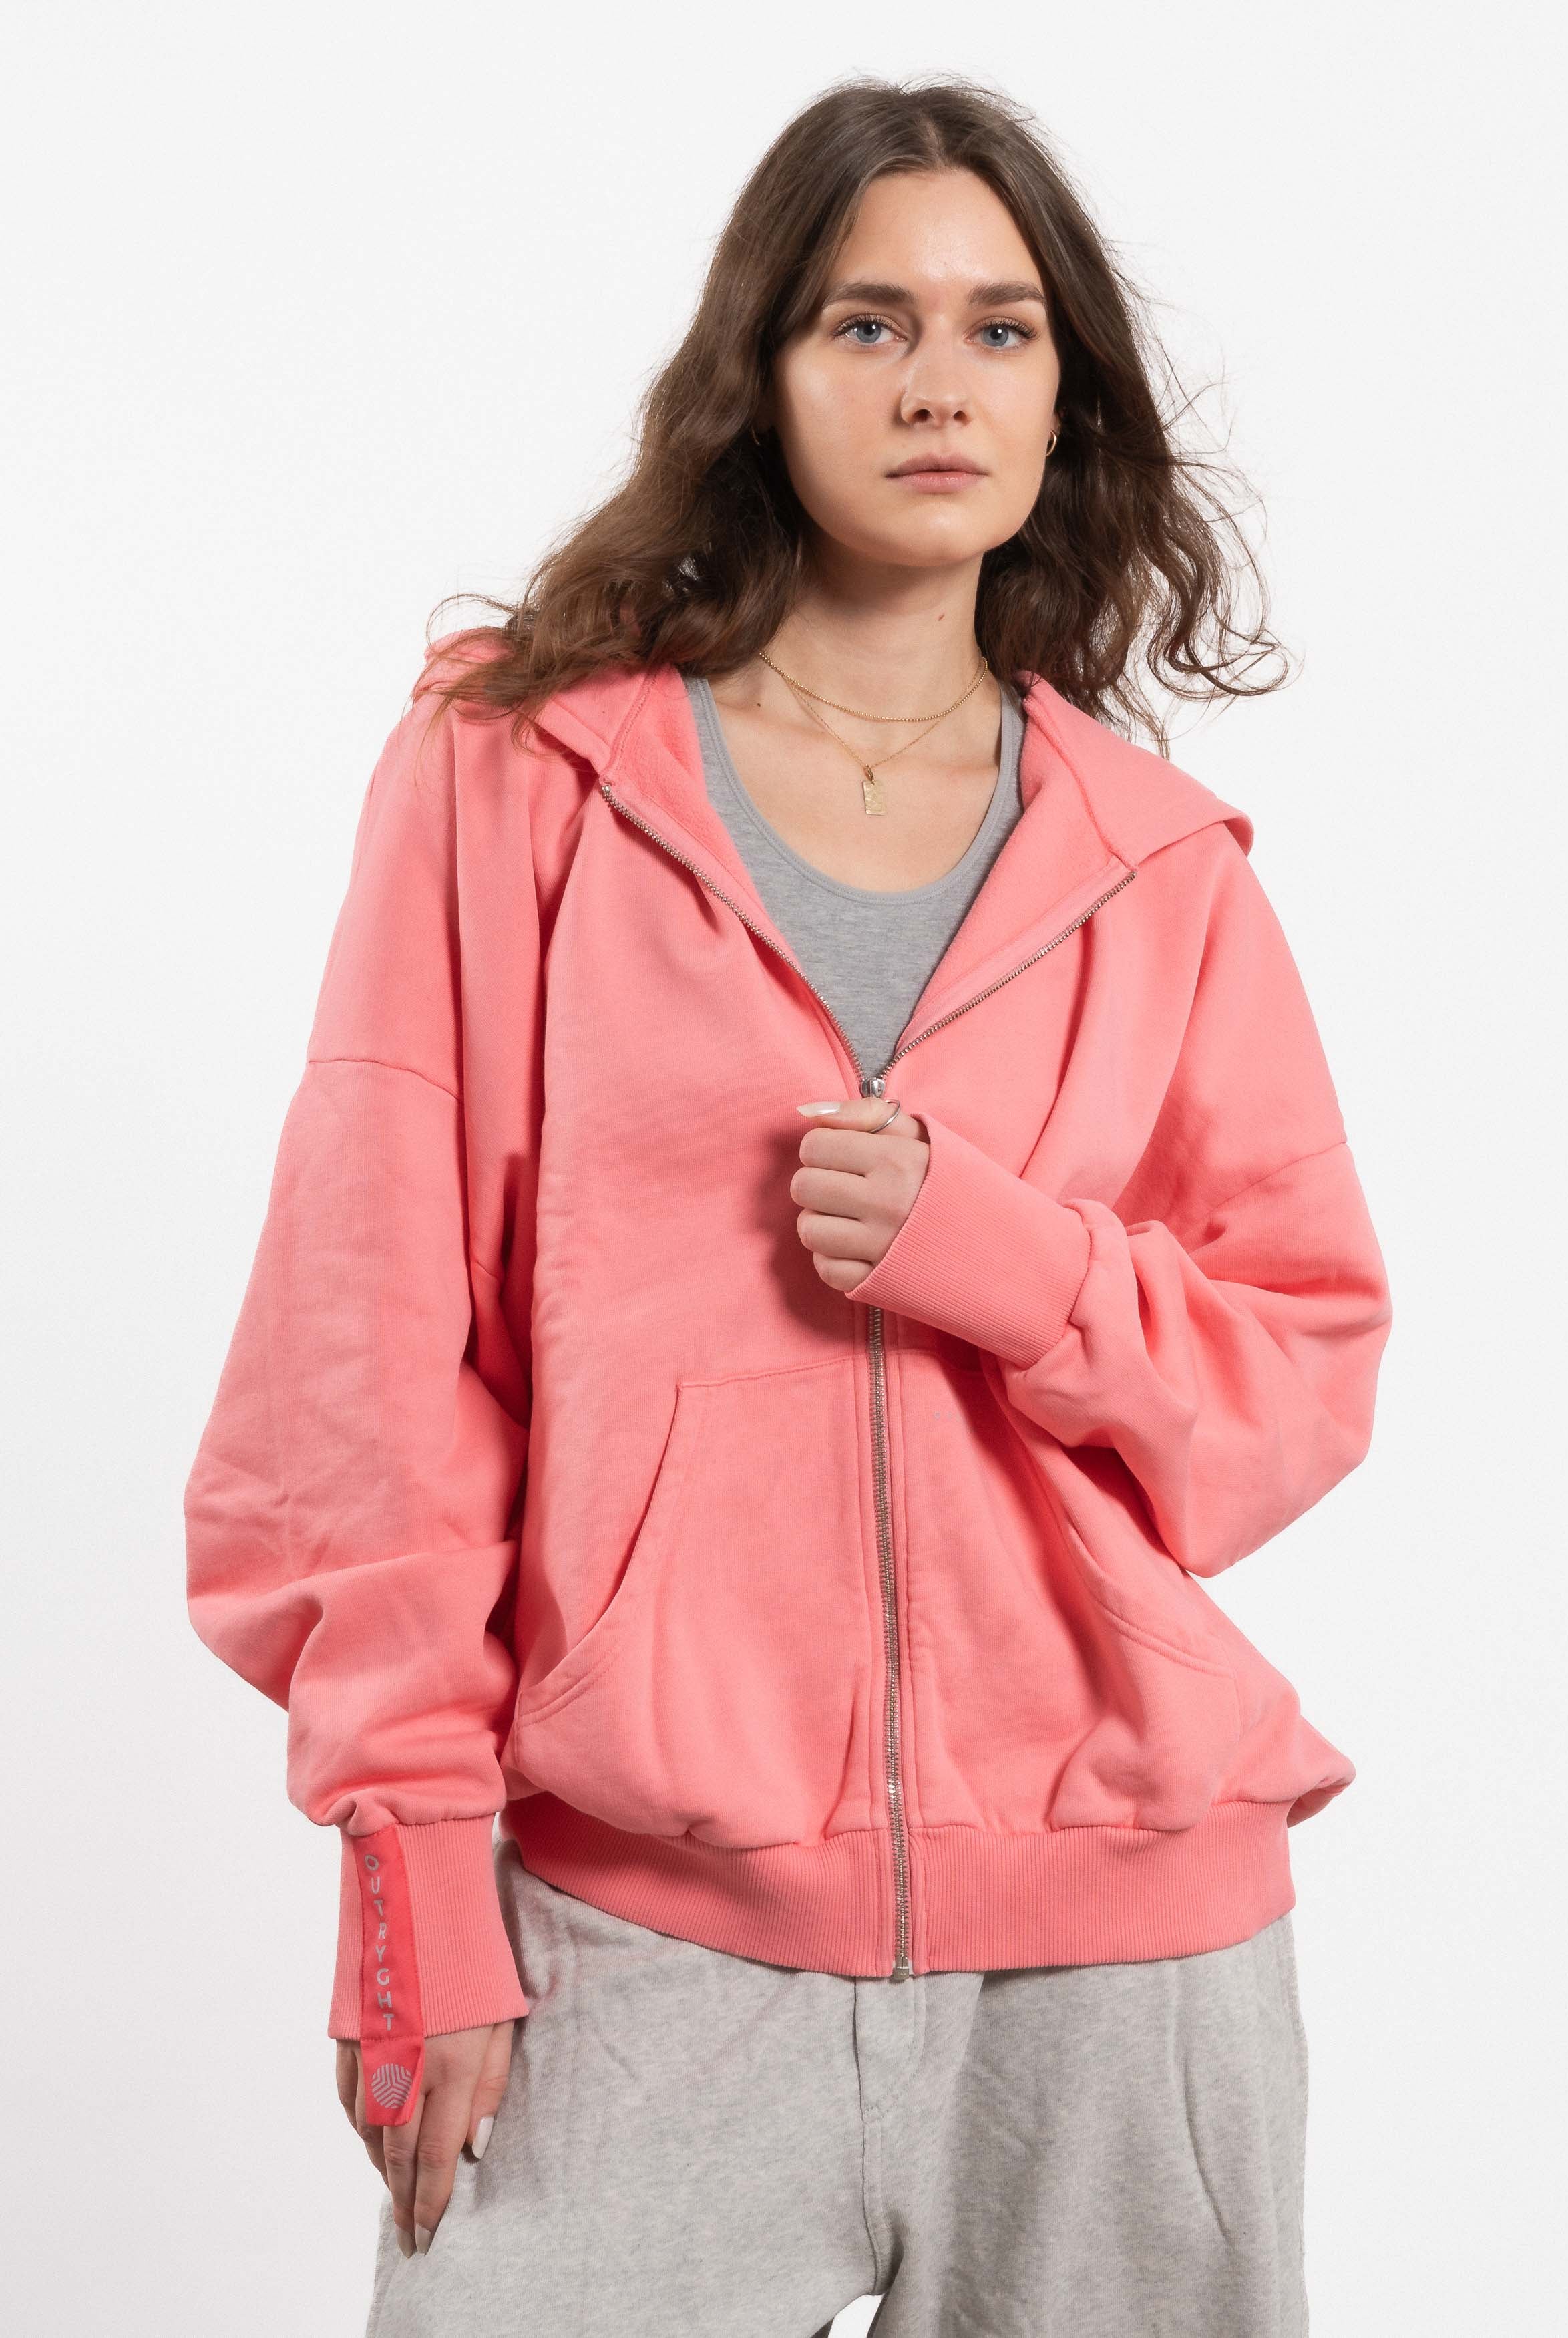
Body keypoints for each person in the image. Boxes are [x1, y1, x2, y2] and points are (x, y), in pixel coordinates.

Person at [184, 73, 1392, 2338]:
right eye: (866, 323)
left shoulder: (1156, 871)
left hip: (1122, 1959)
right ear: (759, 372)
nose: (940, 381)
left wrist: (1013, 1265)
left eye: (1000, 329)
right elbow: (360, 1342)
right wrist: (414, 1862)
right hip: (636, 1929)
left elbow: (1292, 1381)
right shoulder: (522, 774)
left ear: (1066, 396)